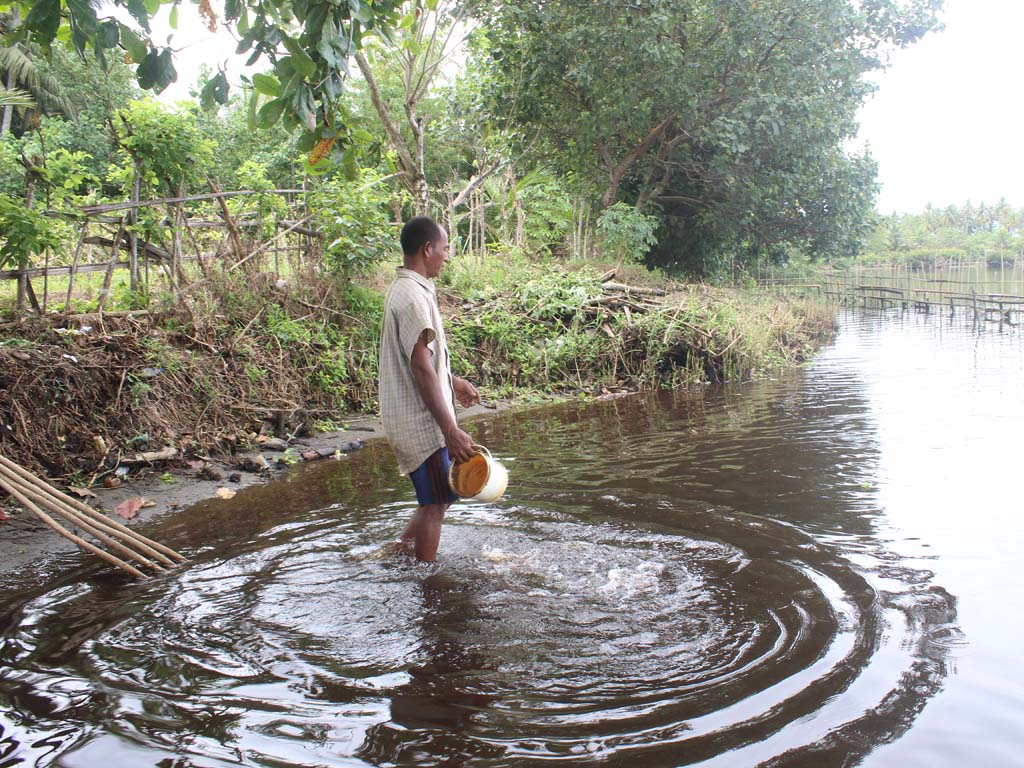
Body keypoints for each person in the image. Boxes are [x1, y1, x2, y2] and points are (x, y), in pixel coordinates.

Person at [379, 216, 481, 561]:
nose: (447, 256)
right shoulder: (413, 299)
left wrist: (452, 381)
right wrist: (450, 430)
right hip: (421, 424)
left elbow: (422, 361)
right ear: (427, 249)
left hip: (415, 419)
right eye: (445, 248)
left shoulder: (408, 290)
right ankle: (428, 584)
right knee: (436, 503)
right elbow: (421, 368)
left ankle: (397, 553)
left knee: (435, 499)